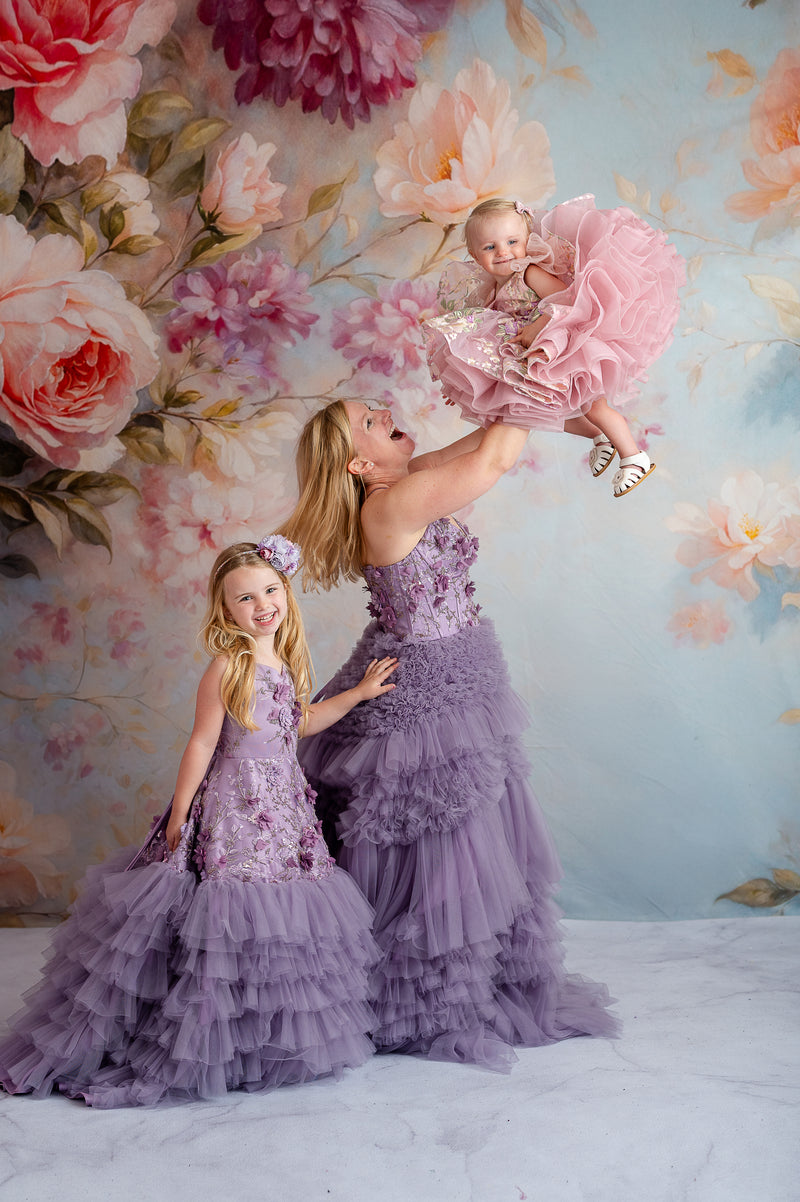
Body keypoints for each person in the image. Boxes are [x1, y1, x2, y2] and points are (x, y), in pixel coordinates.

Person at [0, 535, 398, 1108]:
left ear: (284, 592)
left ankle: (259, 1040)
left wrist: (358, 694)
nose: (262, 605)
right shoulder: (229, 666)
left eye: (269, 590)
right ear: (225, 610)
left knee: (279, 918)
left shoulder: (281, 663)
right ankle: (206, 1040)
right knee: (228, 916)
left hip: (282, 808)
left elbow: (299, 724)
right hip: (236, 808)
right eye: (244, 599)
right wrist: (183, 808)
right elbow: (203, 740)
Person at [281, 402, 619, 1072]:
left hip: (462, 671)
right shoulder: (387, 507)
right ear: (358, 463)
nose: (386, 411)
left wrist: (558, 395)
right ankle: (425, 1001)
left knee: (478, 834)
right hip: (430, 687)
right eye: (370, 421)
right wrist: (535, 365)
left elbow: (489, 436)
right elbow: (495, 459)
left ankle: (467, 979)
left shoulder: (407, 480)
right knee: (445, 844)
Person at [421, 194, 685, 497]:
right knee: (546, 410)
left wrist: (537, 325)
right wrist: (463, 381)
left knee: (593, 406)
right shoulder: (492, 288)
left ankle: (634, 458)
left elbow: (567, 299)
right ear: (473, 253)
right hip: (535, 357)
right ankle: (601, 437)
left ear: (527, 241)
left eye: (512, 242)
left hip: (566, 346)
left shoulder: (528, 273)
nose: (503, 252)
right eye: (490, 247)